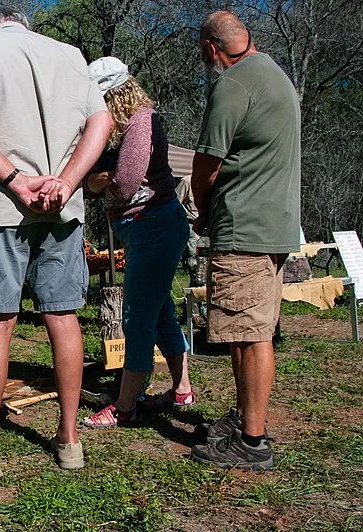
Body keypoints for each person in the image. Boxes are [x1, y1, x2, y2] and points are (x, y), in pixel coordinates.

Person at [0, 5, 113, 481]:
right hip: (61, 206)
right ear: (25, 24)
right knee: (63, 316)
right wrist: (67, 181)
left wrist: (15, 180)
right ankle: (69, 441)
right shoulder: (70, 55)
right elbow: (103, 123)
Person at [189, 11, 301, 470]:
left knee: (251, 334)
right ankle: (242, 418)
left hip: (245, 226)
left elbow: (207, 162)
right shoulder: (274, 74)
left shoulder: (233, 83)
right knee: (244, 330)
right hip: (272, 225)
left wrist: (201, 207)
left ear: (211, 49)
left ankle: (252, 441)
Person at [81, 57, 195, 429]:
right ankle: (181, 390)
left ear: (114, 94)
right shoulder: (122, 127)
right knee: (159, 312)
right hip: (145, 229)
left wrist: (101, 181)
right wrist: (97, 181)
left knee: (136, 318)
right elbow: (91, 181)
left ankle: (125, 405)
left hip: (154, 226)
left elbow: (126, 183)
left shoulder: (140, 121)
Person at [174, 174, 202, 286]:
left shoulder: (213, 180)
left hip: (208, 225)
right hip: (191, 223)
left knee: (205, 257)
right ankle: (195, 286)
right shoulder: (187, 181)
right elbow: (176, 202)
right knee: (193, 256)